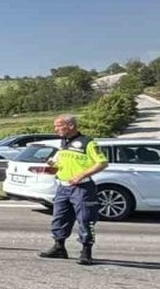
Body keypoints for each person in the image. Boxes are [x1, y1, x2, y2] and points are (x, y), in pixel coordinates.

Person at [38, 114, 108, 266]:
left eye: (59, 126)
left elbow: (102, 163)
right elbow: (62, 164)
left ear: (70, 126)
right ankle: (59, 247)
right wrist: (53, 166)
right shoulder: (63, 143)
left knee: (85, 219)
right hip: (63, 187)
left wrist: (81, 175)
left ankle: (86, 251)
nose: (55, 129)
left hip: (82, 187)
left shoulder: (88, 142)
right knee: (59, 218)